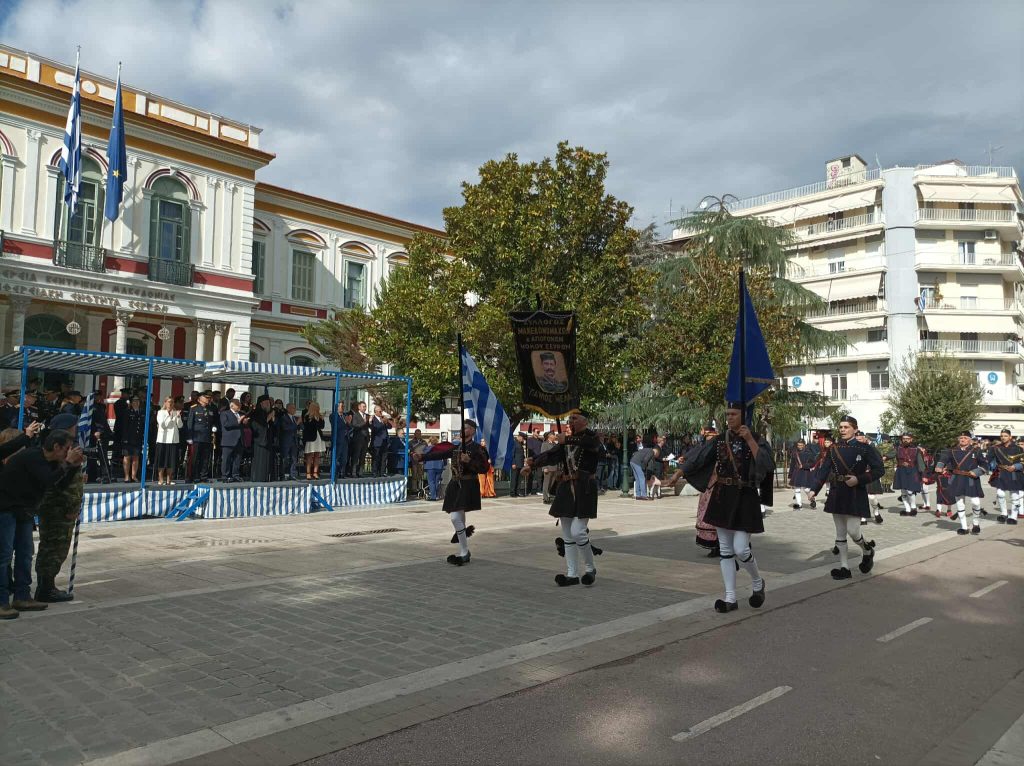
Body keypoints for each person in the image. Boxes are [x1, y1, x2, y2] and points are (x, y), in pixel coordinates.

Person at [683, 404, 772, 612]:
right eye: (727, 415)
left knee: (741, 549)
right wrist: (680, 472)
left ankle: (757, 582)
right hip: (722, 496)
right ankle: (730, 598)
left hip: (745, 497)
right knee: (725, 550)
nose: (729, 418)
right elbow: (700, 457)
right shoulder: (720, 439)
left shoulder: (757, 438)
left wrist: (749, 440)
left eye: (733, 414)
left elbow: (767, 465)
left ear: (744, 416)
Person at [0, 428, 84, 619]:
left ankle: (22, 596)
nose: (69, 452)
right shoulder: (33, 457)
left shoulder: (51, 462)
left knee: (25, 553)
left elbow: (59, 484)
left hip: (24, 510)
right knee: (4, 555)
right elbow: (48, 480)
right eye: (67, 448)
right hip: (5, 508)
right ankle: (2, 601)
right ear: (56, 446)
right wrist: (67, 463)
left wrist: (72, 466)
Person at [523, 412, 602, 586]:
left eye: (575, 418)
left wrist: (566, 440)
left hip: (584, 488)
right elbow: (550, 455)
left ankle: (590, 568)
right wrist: (532, 463)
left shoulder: (592, 437)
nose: (570, 421)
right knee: (567, 533)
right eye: (570, 418)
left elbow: (592, 445)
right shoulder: (565, 440)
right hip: (566, 487)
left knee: (578, 531)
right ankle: (572, 574)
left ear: (585, 421)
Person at [805, 415, 884, 580]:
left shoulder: (865, 448)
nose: (842, 430)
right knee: (840, 533)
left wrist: (859, 479)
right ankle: (844, 567)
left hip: (855, 492)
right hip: (837, 491)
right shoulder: (834, 448)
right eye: (840, 427)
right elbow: (824, 470)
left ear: (855, 429)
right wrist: (814, 489)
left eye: (846, 427)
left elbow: (879, 470)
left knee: (853, 531)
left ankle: (867, 550)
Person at [413, 419, 490, 566]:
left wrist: (469, 461)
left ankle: (464, 551)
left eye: (466, 428)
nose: (462, 430)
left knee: (455, 517)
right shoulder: (457, 447)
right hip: (455, 484)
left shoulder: (477, 449)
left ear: (473, 431)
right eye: (462, 427)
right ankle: (463, 546)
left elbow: (484, 468)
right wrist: (422, 457)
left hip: (468, 484)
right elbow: (440, 454)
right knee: (458, 516)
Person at [33, 414, 85, 603]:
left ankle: (47, 585)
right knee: (54, 549)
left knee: (54, 548)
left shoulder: (65, 448)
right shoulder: (58, 449)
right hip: (58, 507)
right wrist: (70, 506)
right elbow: (58, 482)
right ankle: (45, 589)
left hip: (62, 506)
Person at [936, 431, 987, 535]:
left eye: (965, 438)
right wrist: (939, 466)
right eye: (961, 438)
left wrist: (977, 472)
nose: (963, 440)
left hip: (971, 478)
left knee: (976, 502)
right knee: (960, 503)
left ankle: (976, 523)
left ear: (970, 440)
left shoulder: (976, 451)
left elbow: (984, 465)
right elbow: (943, 459)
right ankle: (964, 527)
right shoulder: (952, 450)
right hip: (957, 478)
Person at [989, 429, 1023, 526]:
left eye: (1005, 436)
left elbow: (1022, 461)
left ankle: (1013, 516)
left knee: (1014, 495)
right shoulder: (995, 448)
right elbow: (988, 459)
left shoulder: (1018, 448)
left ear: (1010, 437)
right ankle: (1004, 513)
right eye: (1002, 436)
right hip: (1001, 472)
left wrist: (1016, 466)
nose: (1003, 438)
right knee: (1000, 493)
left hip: (1014, 472)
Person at [893, 432, 927, 518]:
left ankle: (913, 507)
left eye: (907, 439)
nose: (905, 440)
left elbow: (921, 463)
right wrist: (884, 457)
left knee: (910, 491)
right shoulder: (897, 448)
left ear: (911, 439)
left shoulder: (916, 450)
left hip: (912, 471)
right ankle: (907, 509)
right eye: (904, 438)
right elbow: (890, 454)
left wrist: (924, 475)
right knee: (903, 491)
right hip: (901, 471)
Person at [115, 395, 146, 482]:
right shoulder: (127, 412)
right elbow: (124, 426)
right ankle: (126, 476)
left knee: (136, 457)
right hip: (128, 438)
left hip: (138, 438)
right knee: (127, 457)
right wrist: (124, 438)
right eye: (134, 401)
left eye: (138, 401)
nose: (136, 403)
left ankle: (134, 476)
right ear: (131, 403)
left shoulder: (142, 412)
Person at [187, 392, 216, 482]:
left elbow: (213, 421)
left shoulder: (210, 409)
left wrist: (214, 427)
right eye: (205, 397)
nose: (208, 399)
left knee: (205, 458)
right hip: (197, 437)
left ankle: (203, 476)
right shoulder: (194, 408)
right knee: (195, 458)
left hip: (207, 437)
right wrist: (189, 437)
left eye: (208, 397)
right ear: (200, 399)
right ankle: (192, 476)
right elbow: (190, 423)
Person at [155, 396, 183, 486]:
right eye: (168, 402)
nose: (170, 404)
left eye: (172, 402)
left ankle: (169, 480)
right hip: (163, 440)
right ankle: (160, 479)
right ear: (165, 403)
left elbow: (180, 425)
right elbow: (163, 425)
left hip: (173, 440)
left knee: (171, 461)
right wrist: (170, 416)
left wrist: (178, 417)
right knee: (162, 460)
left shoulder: (175, 412)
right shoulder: (161, 412)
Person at [218, 399, 245, 482]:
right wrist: (238, 421)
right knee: (226, 459)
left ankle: (235, 475)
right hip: (229, 440)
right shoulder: (225, 413)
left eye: (240, 404)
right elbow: (226, 424)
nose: (239, 406)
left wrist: (245, 422)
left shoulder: (240, 414)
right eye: (237, 405)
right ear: (232, 405)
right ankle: (225, 475)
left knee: (237, 458)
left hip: (239, 439)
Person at [788, 439, 818, 509]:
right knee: (797, 489)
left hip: (805, 472)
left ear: (804, 445)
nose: (800, 446)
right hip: (796, 472)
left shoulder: (809, 453)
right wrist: (790, 475)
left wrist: (804, 466)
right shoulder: (794, 453)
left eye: (801, 445)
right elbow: (792, 464)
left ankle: (812, 499)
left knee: (806, 489)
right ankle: (799, 504)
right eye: (798, 445)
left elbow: (813, 463)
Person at [278, 403, 301, 480]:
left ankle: (292, 474)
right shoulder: (284, 417)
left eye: (295, 408)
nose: (294, 410)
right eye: (293, 408)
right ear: (288, 409)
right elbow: (285, 428)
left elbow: (298, 427)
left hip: (294, 441)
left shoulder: (294, 418)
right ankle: (282, 475)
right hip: (286, 441)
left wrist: (300, 423)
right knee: (284, 458)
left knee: (294, 458)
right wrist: (296, 423)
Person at [303, 401, 325, 479]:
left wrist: (321, 419)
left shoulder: (319, 416)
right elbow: (308, 427)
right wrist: (314, 419)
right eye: (317, 408)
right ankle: (308, 473)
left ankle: (315, 472)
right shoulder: (307, 416)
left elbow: (322, 426)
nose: (318, 409)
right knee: (309, 456)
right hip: (311, 438)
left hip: (318, 437)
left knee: (317, 455)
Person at [329, 403, 352, 480]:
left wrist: (348, 422)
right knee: (336, 457)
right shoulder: (333, 416)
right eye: (341, 406)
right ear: (337, 407)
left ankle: (342, 473)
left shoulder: (345, 416)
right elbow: (336, 426)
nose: (343, 407)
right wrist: (345, 422)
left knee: (344, 458)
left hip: (345, 439)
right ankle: (334, 473)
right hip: (337, 439)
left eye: (343, 406)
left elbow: (350, 427)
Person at [348, 401, 370, 478]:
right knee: (356, 456)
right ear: (359, 407)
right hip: (358, 438)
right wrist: (364, 422)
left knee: (363, 456)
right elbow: (355, 426)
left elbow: (370, 426)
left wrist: (370, 422)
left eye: (365, 406)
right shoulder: (355, 415)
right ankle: (353, 472)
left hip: (365, 439)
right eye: (363, 406)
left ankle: (360, 472)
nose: (365, 408)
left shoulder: (367, 416)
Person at [369, 405, 391, 477]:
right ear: (375, 412)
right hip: (377, 441)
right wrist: (381, 422)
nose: (381, 412)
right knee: (376, 458)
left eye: (381, 411)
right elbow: (374, 428)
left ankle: (382, 472)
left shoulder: (383, 418)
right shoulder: (373, 419)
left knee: (384, 458)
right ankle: (374, 472)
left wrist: (386, 422)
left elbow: (390, 427)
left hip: (385, 441)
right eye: (380, 411)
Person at [423, 435, 445, 501]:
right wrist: (444, 464)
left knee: (431, 482)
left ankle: (433, 497)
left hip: (430, 466)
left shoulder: (427, 449)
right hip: (439, 466)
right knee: (436, 481)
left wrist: (424, 464)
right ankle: (436, 495)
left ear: (430, 441)